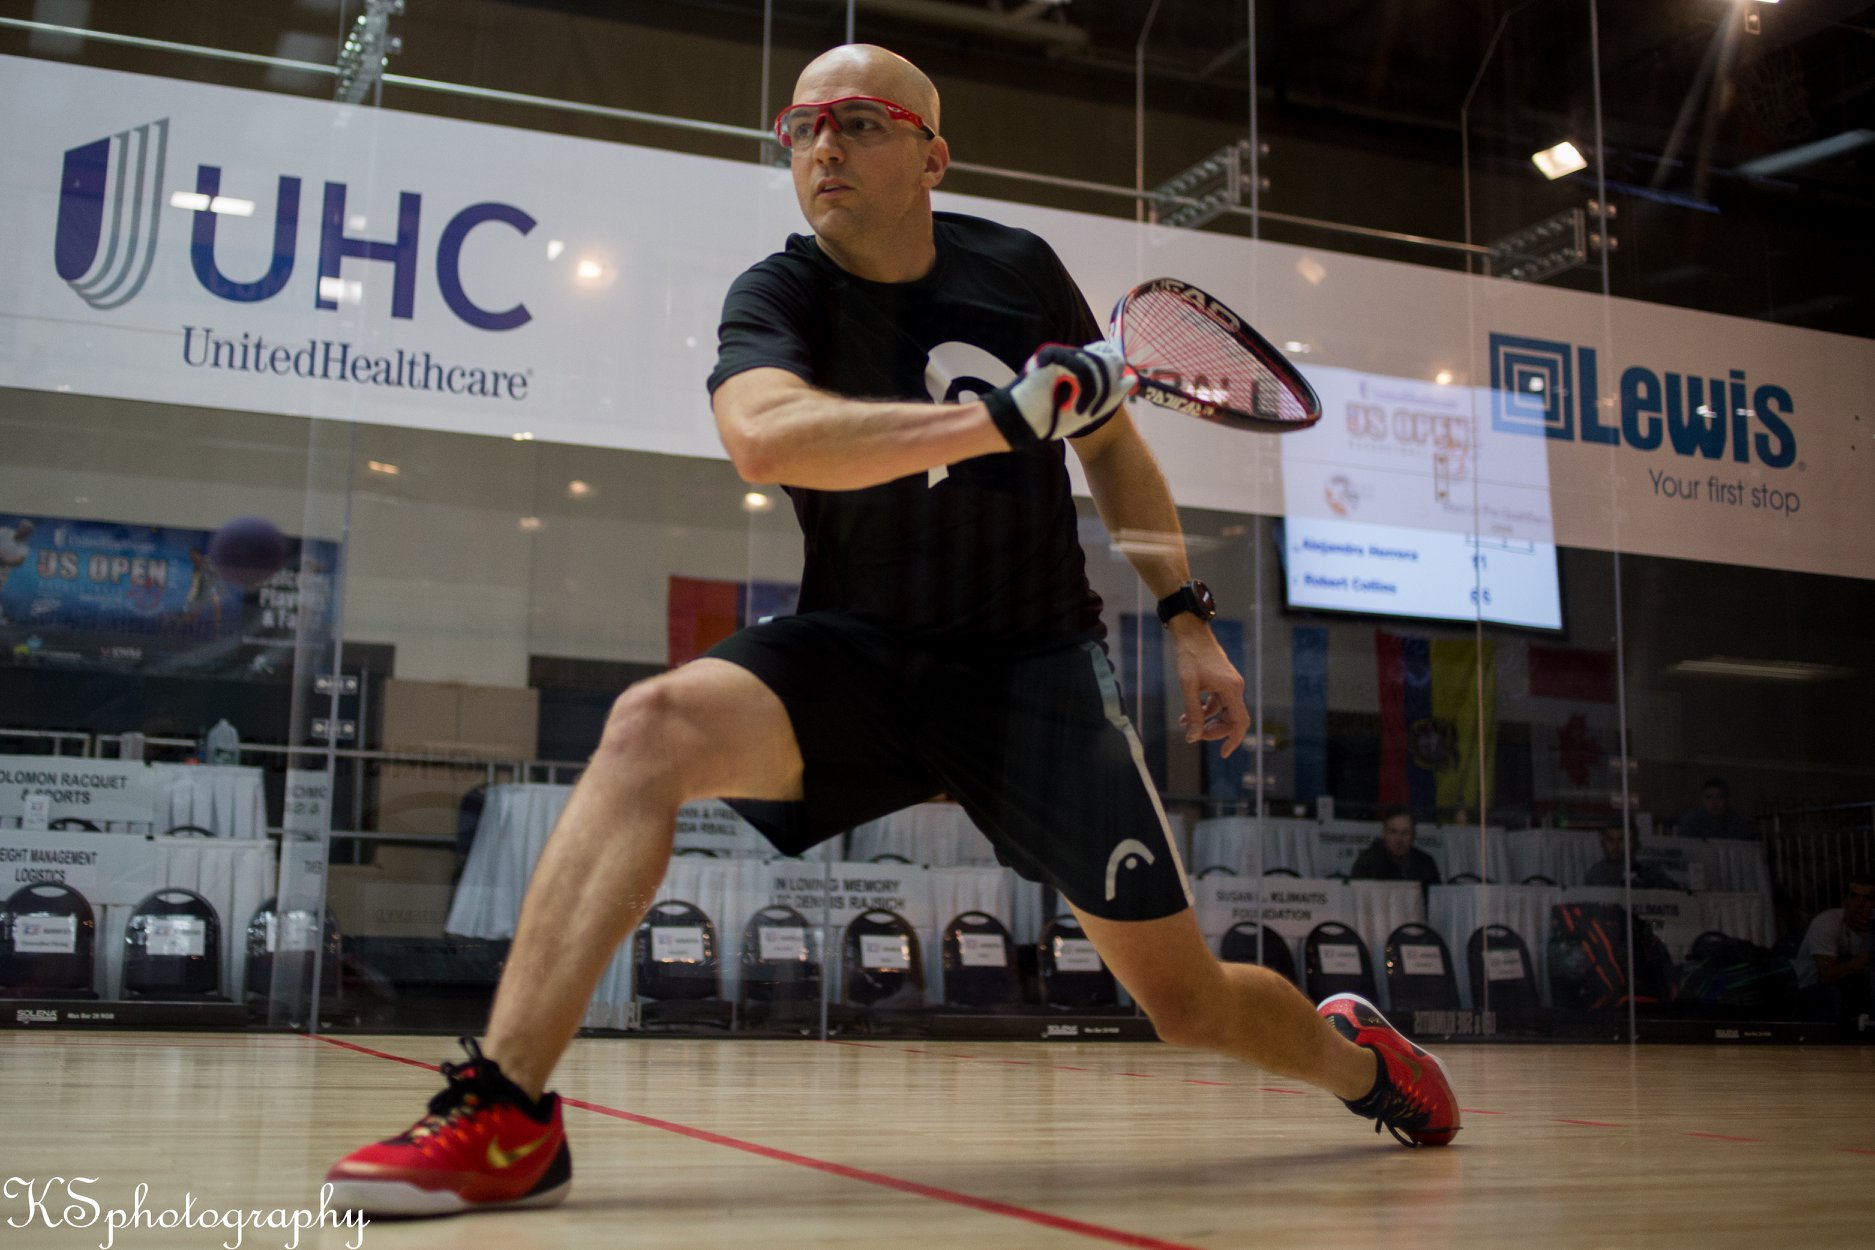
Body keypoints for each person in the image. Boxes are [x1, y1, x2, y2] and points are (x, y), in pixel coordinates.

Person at [325, 44, 1461, 1219]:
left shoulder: (1018, 269)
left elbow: (1114, 443)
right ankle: (507, 1111)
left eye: (859, 122)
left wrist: (1185, 618)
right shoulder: (778, 294)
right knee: (650, 724)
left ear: (933, 153)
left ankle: (1362, 1061)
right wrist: (998, 419)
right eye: (801, 126)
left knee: (1188, 1003)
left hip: (1034, 674)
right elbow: (766, 434)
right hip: (860, 651)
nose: (822, 146)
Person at [1794, 873, 1874, 1023]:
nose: (1860, 903)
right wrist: (1866, 955)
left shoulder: (1870, 929)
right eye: (1854, 896)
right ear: (1845, 900)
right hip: (1807, 988)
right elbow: (1826, 975)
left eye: (1868, 898)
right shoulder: (1828, 921)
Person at [1349, 806, 1442, 893]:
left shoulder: (1426, 862)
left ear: (1413, 836)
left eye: (1405, 833)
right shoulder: (1367, 862)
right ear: (1384, 834)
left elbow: (1435, 900)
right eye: (1393, 832)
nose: (1398, 839)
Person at [1583, 823, 1681, 891]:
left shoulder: (1649, 873)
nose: (1615, 846)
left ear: (1635, 843)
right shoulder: (1595, 875)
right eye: (1610, 839)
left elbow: (1675, 896)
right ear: (1603, 843)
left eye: (1622, 840)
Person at [1676, 777, 1753, 841]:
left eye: (1719, 797)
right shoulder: (1691, 820)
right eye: (1709, 797)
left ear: (1727, 800)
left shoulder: (1739, 823)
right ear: (1702, 799)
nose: (1714, 802)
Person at [0, 519, 33, 624]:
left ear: (29, 534)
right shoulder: (5, 532)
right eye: (22, 528)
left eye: (27, 531)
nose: (23, 531)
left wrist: (4, 562)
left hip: (2, 573)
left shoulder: (25, 548)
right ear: (19, 527)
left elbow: (18, 561)